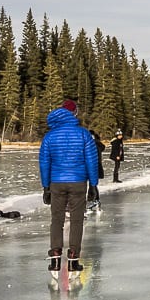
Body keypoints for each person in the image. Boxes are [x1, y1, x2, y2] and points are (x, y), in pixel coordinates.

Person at [39, 99, 99, 274]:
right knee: (76, 220)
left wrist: (46, 186)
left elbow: (44, 162)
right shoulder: (83, 134)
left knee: (56, 219)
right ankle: (73, 258)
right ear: (74, 114)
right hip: (78, 182)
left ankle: (56, 258)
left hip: (56, 182)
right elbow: (91, 161)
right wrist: (93, 185)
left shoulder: (50, 136)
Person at [87, 130, 105, 211]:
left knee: (92, 184)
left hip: (93, 166)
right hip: (93, 166)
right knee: (92, 184)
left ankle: (94, 200)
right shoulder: (94, 144)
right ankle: (94, 200)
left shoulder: (94, 144)